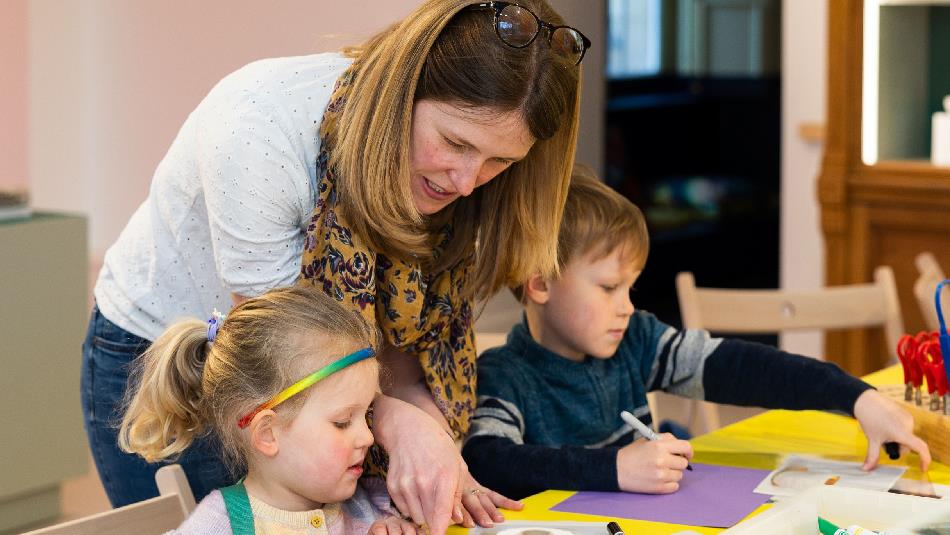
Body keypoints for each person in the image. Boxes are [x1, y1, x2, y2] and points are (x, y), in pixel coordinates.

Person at [83, 1, 587, 532]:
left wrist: (434, 445)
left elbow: (399, 344)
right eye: (455, 143)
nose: (466, 181)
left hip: (327, 384)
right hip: (190, 355)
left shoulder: (455, 177)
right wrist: (398, 423)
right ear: (404, 93)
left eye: (499, 161)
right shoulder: (258, 126)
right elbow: (287, 359)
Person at [462, 169, 931, 500]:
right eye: (608, 287)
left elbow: (743, 367)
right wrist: (615, 469)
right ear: (539, 282)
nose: (626, 306)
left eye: (631, 287)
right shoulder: (505, 373)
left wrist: (858, 398)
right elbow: (488, 461)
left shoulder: (637, 340)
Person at [118, 286, 414, 534]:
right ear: (268, 434)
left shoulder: (373, 511)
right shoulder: (218, 527)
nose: (367, 437)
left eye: (366, 415)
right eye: (342, 422)